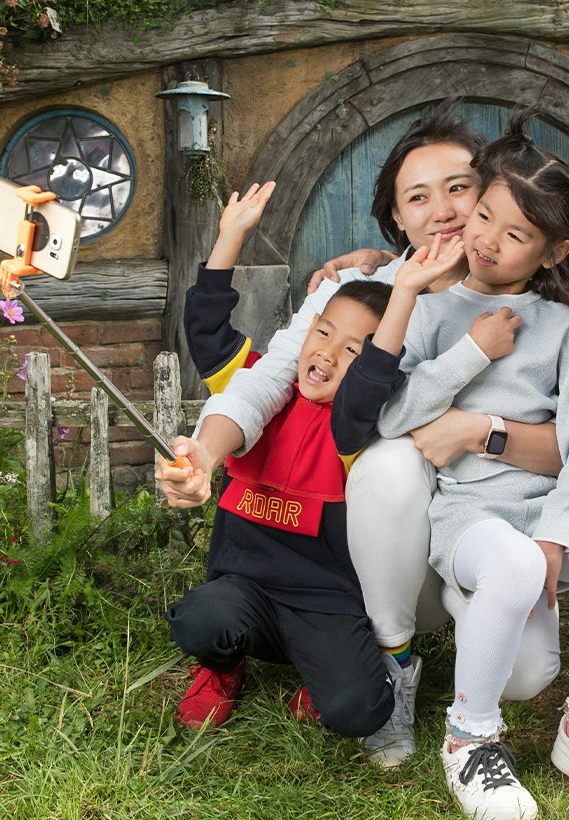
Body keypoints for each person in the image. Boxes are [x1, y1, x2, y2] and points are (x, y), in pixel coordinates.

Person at [175, 103, 566, 766]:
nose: (443, 210)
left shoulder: (538, 298)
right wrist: (207, 452)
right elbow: (270, 379)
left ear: (490, 195)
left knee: (526, 676)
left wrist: (481, 431)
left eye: (460, 188)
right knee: (389, 460)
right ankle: (391, 657)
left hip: (486, 519)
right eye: (418, 197)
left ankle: (386, 640)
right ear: (396, 217)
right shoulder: (361, 291)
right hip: (375, 548)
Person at [378, 116, 569, 820]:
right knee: (510, 566)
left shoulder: (562, 327)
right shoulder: (430, 309)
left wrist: (557, 533)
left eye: (515, 235)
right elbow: (393, 417)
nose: (486, 239)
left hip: (546, 509)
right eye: (484, 215)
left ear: (552, 253)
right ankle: (469, 739)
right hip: (470, 517)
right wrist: (473, 352)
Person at [158, 181, 466, 742]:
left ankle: (322, 672)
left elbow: (375, 376)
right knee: (200, 618)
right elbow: (207, 333)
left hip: (325, 605)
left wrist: (402, 287)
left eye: (351, 350)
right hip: (244, 590)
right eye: (322, 332)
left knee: (358, 711)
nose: (326, 352)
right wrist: (230, 237)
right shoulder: (260, 392)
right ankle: (222, 667)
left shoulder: (354, 428)